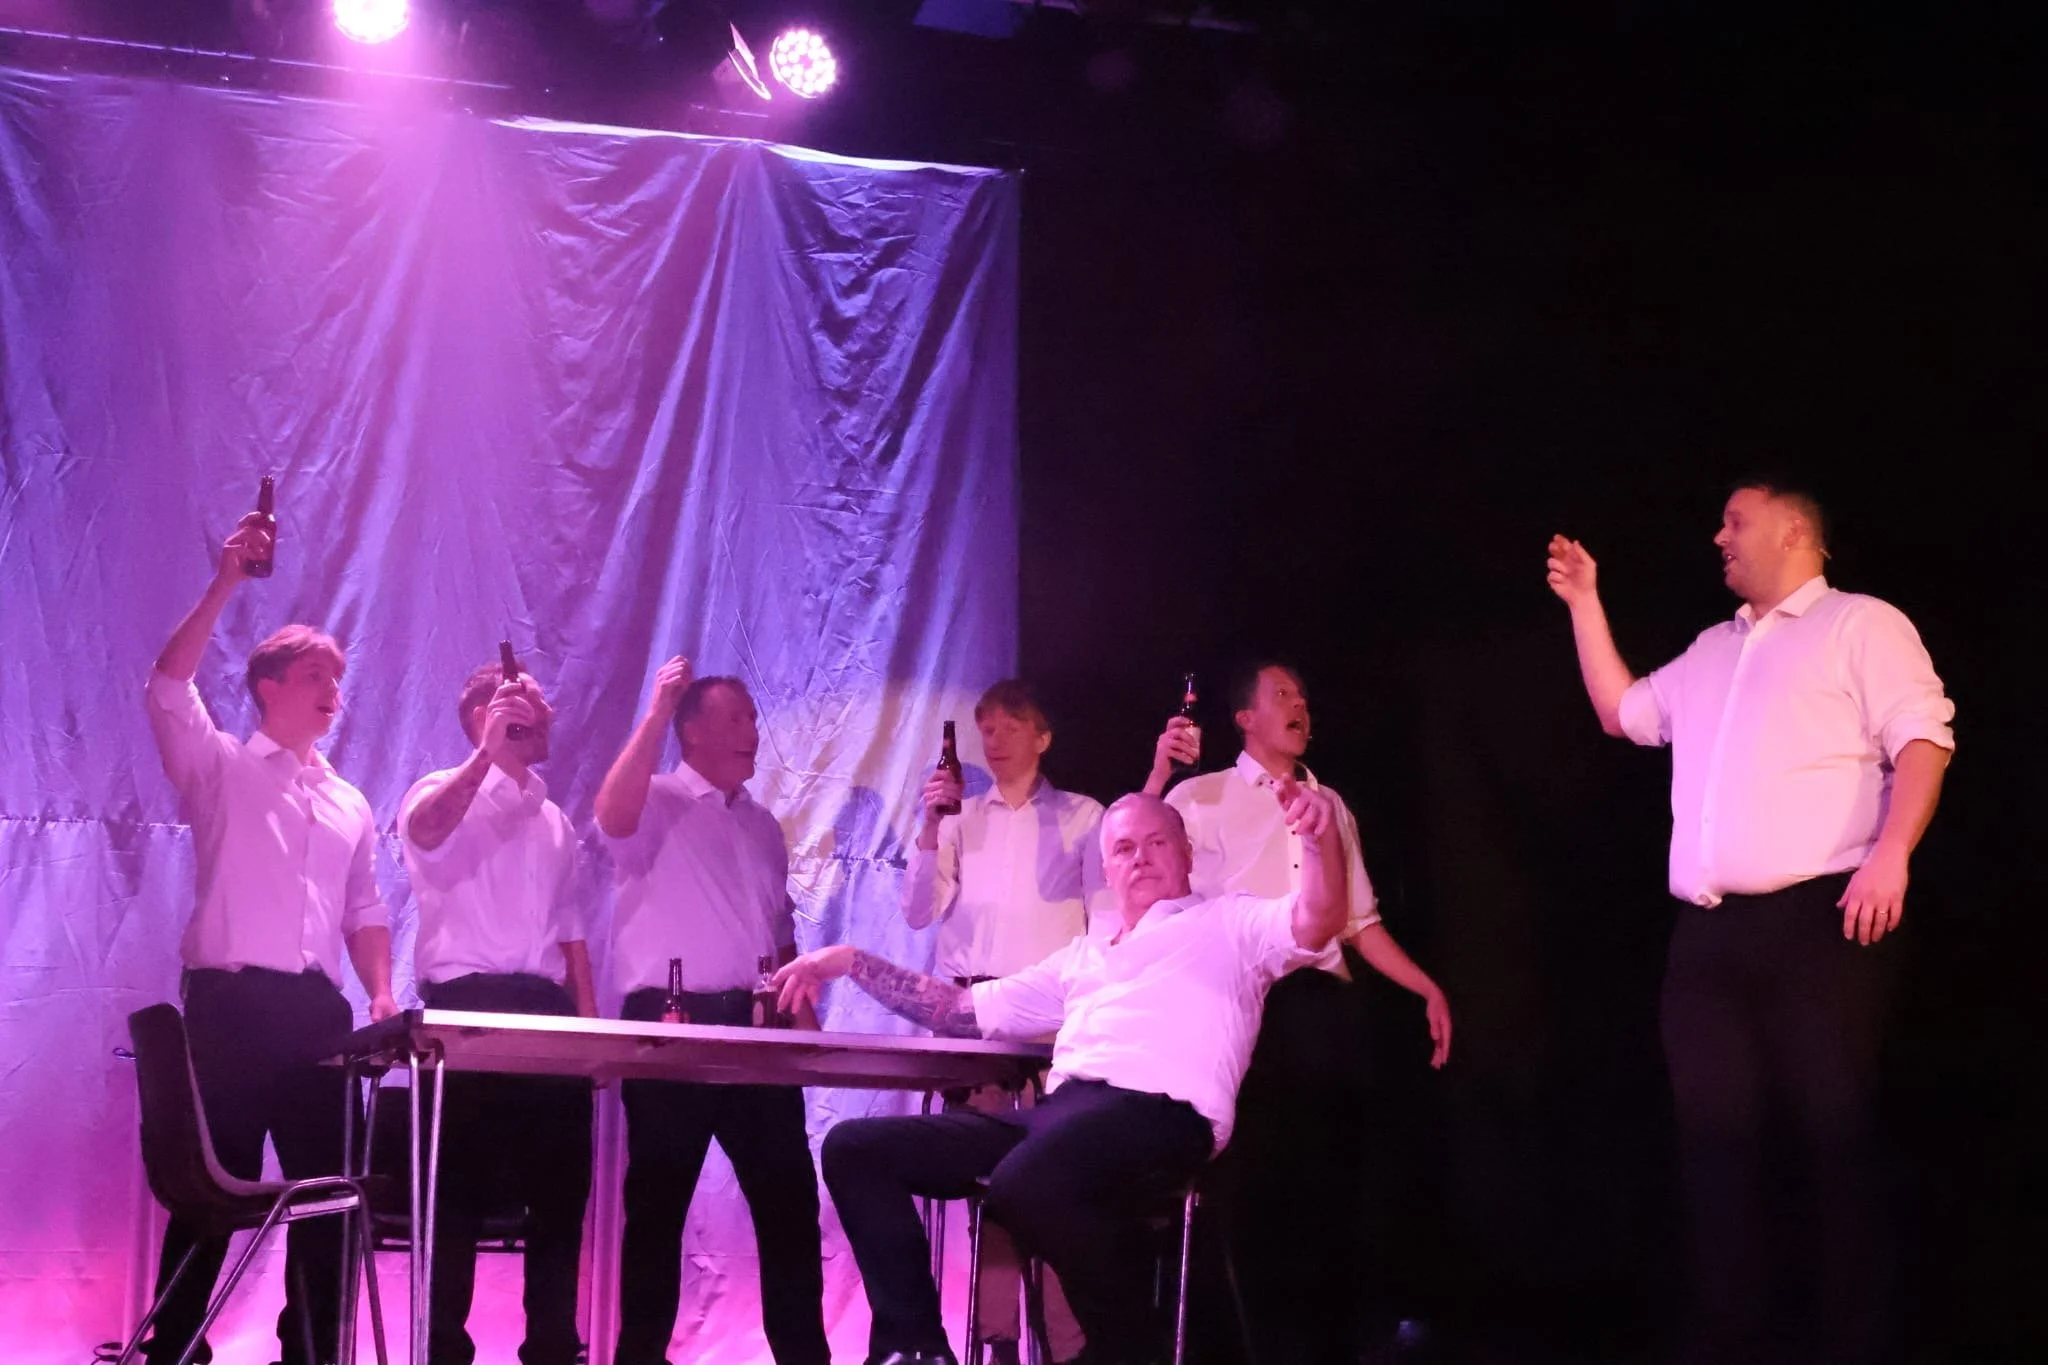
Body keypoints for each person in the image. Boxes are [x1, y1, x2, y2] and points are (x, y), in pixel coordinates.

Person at [1546, 479, 1955, 1365]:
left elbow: (1924, 734)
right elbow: (1622, 713)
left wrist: (1893, 852)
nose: (1719, 535)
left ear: (1795, 527)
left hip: (1824, 920)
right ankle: (1734, 1338)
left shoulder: (1860, 623)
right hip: (1710, 939)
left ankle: (1852, 1341)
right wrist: (1586, 601)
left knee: (1831, 1137)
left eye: (1736, 519)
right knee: (1716, 1150)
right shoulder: (1709, 649)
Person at [776, 788, 1351, 1365]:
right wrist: (849, 959)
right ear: (1107, 869)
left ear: (1187, 855)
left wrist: (1319, 839)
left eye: (1157, 843)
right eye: (1124, 848)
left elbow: (1316, 920)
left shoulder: (1228, 923)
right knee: (856, 1148)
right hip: (1060, 1115)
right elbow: (955, 1011)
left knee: (1027, 1181)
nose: (1141, 858)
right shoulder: (1083, 955)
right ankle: (917, 1347)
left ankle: (1131, 1350)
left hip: (1163, 1113)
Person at [140, 508, 395, 1365]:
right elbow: (166, 688)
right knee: (212, 1192)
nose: (334, 690)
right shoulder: (220, 767)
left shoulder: (350, 801)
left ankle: (313, 1351)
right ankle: (177, 1346)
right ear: (269, 686)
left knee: (331, 1195)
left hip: (318, 1015)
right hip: (230, 1005)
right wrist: (225, 583)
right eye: (317, 673)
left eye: (340, 677)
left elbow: (365, 908)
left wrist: (385, 993)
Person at [1144, 662, 1449, 1361]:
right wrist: (1158, 775)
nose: (1299, 704)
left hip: (1321, 1006)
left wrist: (1425, 985)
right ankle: (1249, 1337)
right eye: (1282, 694)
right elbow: (1134, 857)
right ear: (1245, 717)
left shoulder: (1332, 803)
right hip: (1242, 998)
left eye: (1304, 695)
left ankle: (1331, 1336)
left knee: (1334, 1177)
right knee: (1253, 1182)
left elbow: (1357, 920)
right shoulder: (1204, 795)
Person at [593, 659, 830, 1365]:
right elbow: (610, 815)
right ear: (692, 729)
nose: (753, 730)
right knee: (658, 1207)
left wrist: (801, 1006)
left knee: (789, 1202)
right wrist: (656, 709)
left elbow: (778, 927)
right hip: (670, 1024)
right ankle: (639, 1355)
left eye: (754, 718)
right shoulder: (656, 796)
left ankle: (803, 1355)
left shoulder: (763, 825)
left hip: (756, 1027)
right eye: (737, 717)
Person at [905, 680, 1110, 1365]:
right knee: (988, 1174)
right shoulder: (959, 815)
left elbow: (1108, 919)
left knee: (1051, 1176)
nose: (993, 739)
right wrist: (932, 823)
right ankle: (995, 1338)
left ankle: (1065, 1340)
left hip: (1052, 1019)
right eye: (985, 728)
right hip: (973, 1018)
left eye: (1009, 727)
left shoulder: (1084, 816)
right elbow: (915, 911)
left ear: (1042, 736)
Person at [398, 658, 597, 1365]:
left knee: (562, 1193)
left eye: (540, 701)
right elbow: (424, 831)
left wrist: (591, 1034)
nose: (541, 713)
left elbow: (570, 929)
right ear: (486, 716)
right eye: (524, 702)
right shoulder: (436, 790)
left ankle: (551, 1345)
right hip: (466, 1009)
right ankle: (443, 1350)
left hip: (548, 1012)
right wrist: (486, 750)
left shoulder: (554, 818)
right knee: (454, 1194)